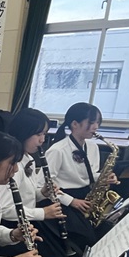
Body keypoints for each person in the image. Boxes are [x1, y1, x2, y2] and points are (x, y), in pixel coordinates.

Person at [0, 109, 91, 257]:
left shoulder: (28, 159)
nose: (43, 140)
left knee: (70, 252)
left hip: (28, 220)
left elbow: (28, 195)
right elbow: (4, 209)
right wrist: (44, 213)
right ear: (23, 133)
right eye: (39, 134)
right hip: (11, 227)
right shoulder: (11, 164)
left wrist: (44, 193)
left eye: (44, 134)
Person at [44, 102, 118, 249]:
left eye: (98, 122)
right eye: (91, 123)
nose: (96, 127)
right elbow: (45, 185)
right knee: (87, 237)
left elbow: (91, 174)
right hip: (64, 199)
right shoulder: (57, 150)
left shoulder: (93, 146)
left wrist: (104, 177)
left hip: (87, 195)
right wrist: (71, 201)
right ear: (75, 124)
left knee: (107, 230)